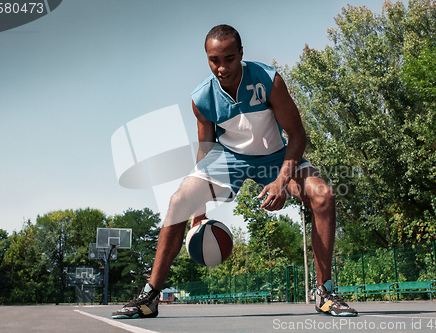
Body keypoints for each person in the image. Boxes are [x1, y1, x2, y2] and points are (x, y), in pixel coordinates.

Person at [111, 24, 358, 319]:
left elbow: (297, 135)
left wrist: (282, 180)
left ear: (241, 53)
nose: (222, 67)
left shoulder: (268, 80)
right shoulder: (202, 98)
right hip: (229, 160)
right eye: (214, 60)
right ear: (207, 58)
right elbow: (207, 151)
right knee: (178, 202)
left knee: (324, 196)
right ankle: (149, 296)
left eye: (229, 58)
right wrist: (197, 209)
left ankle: (325, 292)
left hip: (276, 157)